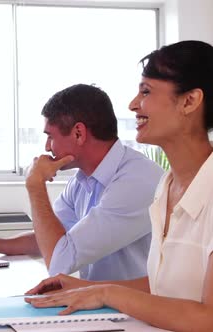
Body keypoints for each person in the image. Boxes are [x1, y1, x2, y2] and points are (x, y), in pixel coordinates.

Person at [26, 40, 213, 332]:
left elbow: (208, 317)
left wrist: (105, 293)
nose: (133, 104)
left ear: (189, 101)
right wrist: (86, 288)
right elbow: (165, 286)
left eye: (146, 91)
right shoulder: (167, 185)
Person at [0, 84, 164, 281]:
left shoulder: (135, 181)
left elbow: (60, 262)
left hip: (137, 316)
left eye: (51, 136)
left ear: (78, 133)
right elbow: (47, 239)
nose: (47, 147)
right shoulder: (83, 180)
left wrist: (35, 186)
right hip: (101, 306)